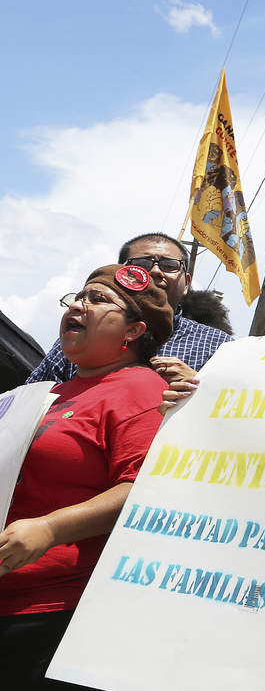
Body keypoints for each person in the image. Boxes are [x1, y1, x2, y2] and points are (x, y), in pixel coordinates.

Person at [0, 264, 174, 686]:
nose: (79, 305)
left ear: (133, 331)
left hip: (53, 613)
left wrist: (49, 529)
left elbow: (143, 489)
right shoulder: (45, 395)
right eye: (77, 297)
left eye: (98, 299)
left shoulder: (141, 389)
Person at [25, 233, 232, 393]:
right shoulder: (81, 335)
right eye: (142, 264)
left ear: (186, 283)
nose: (155, 271)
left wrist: (199, 386)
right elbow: (31, 400)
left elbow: (236, 411)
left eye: (169, 266)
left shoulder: (218, 345)